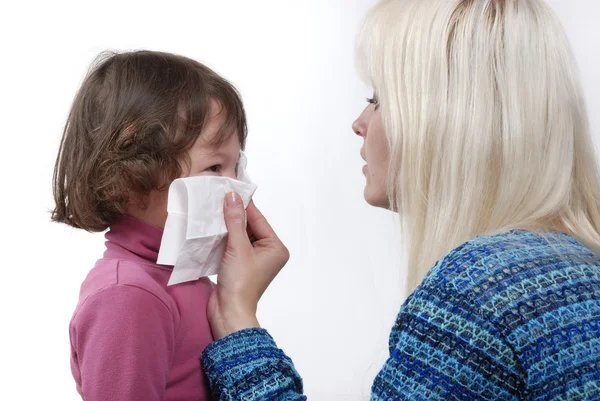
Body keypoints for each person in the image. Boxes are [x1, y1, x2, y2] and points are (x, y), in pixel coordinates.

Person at [200, 0, 600, 399]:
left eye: (379, 98)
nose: (360, 123)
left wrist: (237, 320)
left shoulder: (478, 287)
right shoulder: (578, 264)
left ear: (447, 118)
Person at [52, 50, 247, 401]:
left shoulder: (183, 275)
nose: (235, 189)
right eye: (216, 168)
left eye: (238, 167)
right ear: (131, 176)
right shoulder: (129, 295)